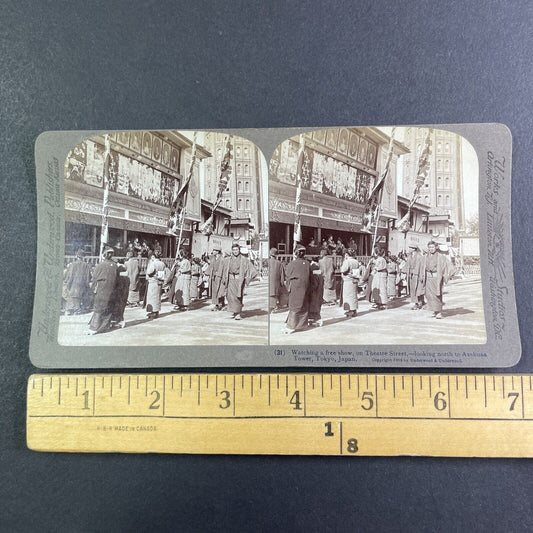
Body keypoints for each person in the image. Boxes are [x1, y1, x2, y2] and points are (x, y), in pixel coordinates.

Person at [219, 242, 258, 320]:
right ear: (232, 250)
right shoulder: (228, 260)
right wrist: (223, 278)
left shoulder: (244, 259)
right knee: (230, 297)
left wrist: (247, 278)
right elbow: (223, 269)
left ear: (239, 250)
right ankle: (234, 311)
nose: (235, 251)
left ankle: (238, 313)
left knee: (238, 296)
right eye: (233, 250)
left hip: (239, 280)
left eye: (236, 249)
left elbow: (251, 269)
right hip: (230, 280)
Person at [86, 246, 119, 334]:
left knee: (99, 308)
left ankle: (94, 328)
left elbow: (94, 278)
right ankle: (105, 326)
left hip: (102, 289)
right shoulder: (115, 265)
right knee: (108, 308)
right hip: (112, 290)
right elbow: (117, 279)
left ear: (104, 255)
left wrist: (92, 290)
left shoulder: (100, 265)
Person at [283, 244, 310, 333]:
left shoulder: (292, 263)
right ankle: (302, 325)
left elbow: (287, 274)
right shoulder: (307, 263)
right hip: (305, 286)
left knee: (294, 305)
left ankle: (291, 326)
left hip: (295, 286)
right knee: (303, 304)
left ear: (296, 253)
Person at [424, 241, 451, 319]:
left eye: (432, 247)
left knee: (437, 294)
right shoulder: (426, 256)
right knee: (429, 295)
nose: (431, 249)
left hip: (436, 278)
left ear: (436, 247)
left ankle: (439, 312)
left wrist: (446, 275)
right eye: (429, 247)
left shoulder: (441, 256)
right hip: (428, 277)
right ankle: (434, 311)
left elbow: (447, 265)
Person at [64, 248, 92, 315]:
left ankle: (69, 310)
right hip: (82, 285)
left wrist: (68, 283)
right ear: (83, 257)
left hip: (73, 284)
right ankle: (77, 310)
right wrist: (86, 284)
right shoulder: (86, 265)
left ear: (77, 256)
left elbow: (69, 276)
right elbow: (88, 277)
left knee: (71, 296)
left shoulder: (72, 265)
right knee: (79, 297)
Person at [145, 249, 166, 318]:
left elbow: (149, 272)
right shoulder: (162, 263)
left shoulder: (153, 263)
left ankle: (153, 311)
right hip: (159, 280)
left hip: (153, 281)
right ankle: (157, 310)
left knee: (152, 297)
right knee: (157, 296)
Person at [340, 247, 360, 318]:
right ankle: (354, 309)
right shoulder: (356, 261)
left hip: (348, 280)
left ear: (347, 254)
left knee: (348, 295)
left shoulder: (347, 261)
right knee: (354, 295)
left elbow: (343, 270)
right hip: (354, 278)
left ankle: (350, 310)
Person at [111, 262, 129, 328]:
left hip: (118, 296)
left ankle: (118, 322)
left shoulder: (119, 279)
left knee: (117, 310)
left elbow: (118, 287)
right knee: (121, 310)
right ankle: (120, 321)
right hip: (124, 296)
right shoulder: (127, 278)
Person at [407, 245, 425, 309]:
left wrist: (421, 276)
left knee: (418, 289)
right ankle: (416, 302)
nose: (409, 249)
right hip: (412, 275)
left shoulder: (419, 256)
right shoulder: (410, 256)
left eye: (410, 248)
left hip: (417, 275)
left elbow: (421, 267)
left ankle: (419, 302)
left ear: (414, 249)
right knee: (413, 289)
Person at [308, 257, 324, 327]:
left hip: (314, 291)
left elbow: (314, 281)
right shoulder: (318, 268)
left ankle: (317, 320)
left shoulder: (313, 268)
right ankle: (313, 319)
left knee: (314, 306)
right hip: (319, 290)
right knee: (316, 305)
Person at [269, 247, 285, 313]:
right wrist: (282, 282)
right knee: (275, 293)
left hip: (269, 280)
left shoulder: (268, 261)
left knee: (270, 293)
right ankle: (274, 307)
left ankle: (271, 306)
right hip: (276, 281)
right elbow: (282, 274)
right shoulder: (279, 263)